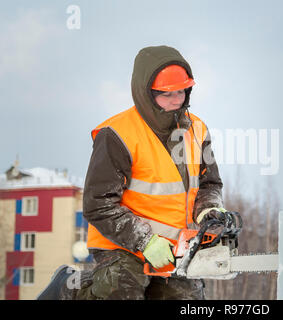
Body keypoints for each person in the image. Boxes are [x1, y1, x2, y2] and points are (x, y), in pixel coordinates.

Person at [37, 45, 241, 300]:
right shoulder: (117, 135)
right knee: (124, 288)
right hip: (121, 244)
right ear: (146, 93)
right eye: (167, 94)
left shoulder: (198, 130)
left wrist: (208, 211)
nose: (177, 100)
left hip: (174, 247)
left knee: (185, 299)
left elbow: (209, 184)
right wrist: (144, 241)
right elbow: (97, 205)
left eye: (182, 91)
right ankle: (72, 289)